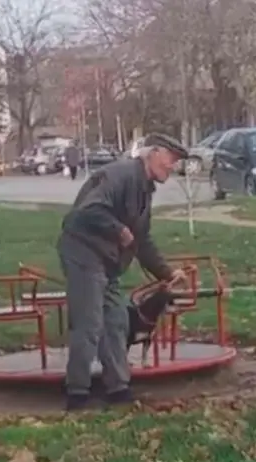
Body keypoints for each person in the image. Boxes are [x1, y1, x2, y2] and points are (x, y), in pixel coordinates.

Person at [56, 133, 189, 411]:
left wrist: (166, 273)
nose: (173, 166)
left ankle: (118, 388)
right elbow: (88, 210)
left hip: (108, 261)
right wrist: (118, 230)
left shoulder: (145, 189)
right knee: (90, 322)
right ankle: (77, 392)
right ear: (152, 153)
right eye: (171, 159)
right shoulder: (121, 175)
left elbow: (141, 239)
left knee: (116, 320)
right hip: (83, 252)